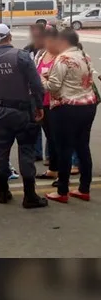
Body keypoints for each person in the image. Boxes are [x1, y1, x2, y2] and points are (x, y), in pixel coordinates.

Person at [0, 23, 48, 209]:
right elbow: (36, 84)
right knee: (27, 151)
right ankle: (29, 196)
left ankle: (3, 192)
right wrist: (39, 106)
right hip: (23, 111)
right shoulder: (21, 56)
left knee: (1, 154)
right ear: (10, 37)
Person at [41, 29, 98, 203]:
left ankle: (62, 191)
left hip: (66, 108)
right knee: (82, 147)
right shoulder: (84, 56)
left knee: (64, 149)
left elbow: (54, 86)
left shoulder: (63, 58)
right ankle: (84, 188)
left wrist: (42, 78)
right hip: (88, 106)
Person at [35, 25, 60, 182]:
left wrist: (45, 79)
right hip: (42, 101)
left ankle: (61, 173)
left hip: (57, 102)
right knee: (51, 137)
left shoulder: (61, 55)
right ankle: (53, 169)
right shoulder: (41, 54)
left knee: (59, 138)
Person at [24, 23, 47, 160]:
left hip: (50, 92)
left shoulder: (52, 50)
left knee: (50, 128)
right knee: (35, 123)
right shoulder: (27, 50)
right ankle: (37, 153)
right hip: (33, 92)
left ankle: (51, 156)